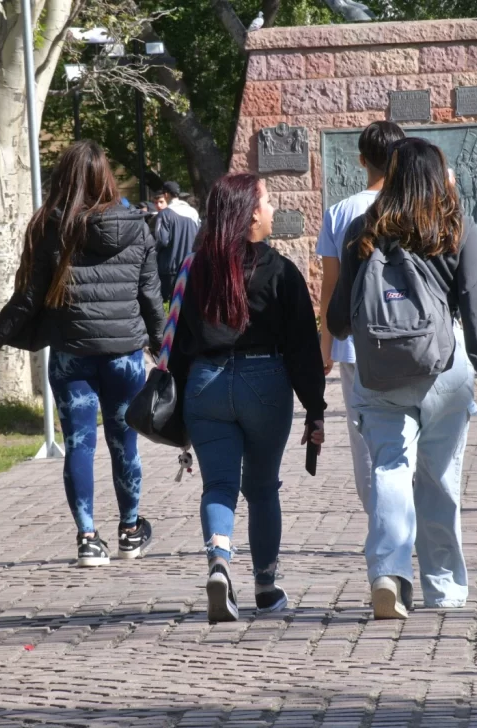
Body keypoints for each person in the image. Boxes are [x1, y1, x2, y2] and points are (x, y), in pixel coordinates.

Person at [328, 138, 477, 619]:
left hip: (381, 372)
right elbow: (473, 299)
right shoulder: (454, 227)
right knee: (439, 480)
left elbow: (339, 317)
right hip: (445, 371)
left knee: (389, 469)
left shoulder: (363, 231)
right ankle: (444, 587)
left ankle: (387, 573)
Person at [0, 141, 165, 566]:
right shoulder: (138, 227)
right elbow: (151, 298)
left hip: (71, 356)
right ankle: (131, 531)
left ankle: (88, 538)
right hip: (125, 356)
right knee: (124, 442)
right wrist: (164, 351)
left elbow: (28, 298)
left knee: (79, 443)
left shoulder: (54, 229)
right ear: (107, 178)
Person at [168, 173, 326, 623]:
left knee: (218, 485)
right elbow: (302, 349)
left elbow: (178, 344)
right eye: (269, 201)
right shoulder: (280, 271)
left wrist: (179, 409)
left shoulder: (194, 268)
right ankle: (265, 587)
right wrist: (315, 410)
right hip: (265, 383)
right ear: (251, 213)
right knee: (261, 488)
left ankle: (219, 562)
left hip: (206, 383)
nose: (274, 209)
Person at [317, 121, 405, 515]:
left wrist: (325, 343)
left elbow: (330, 284)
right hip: (411, 337)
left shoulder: (340, 212)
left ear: (361, 160)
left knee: (365, 435)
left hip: (356, 340)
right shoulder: (416, 205)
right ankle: (409, 514)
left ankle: (380, 522)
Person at [155, 181, 200, 302]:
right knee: (186, 306)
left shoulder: (164, 214)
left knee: (170, 308)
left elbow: (162, 240)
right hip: (191, 266)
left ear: (166, 194)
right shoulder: (193, 212)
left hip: (169, 268)